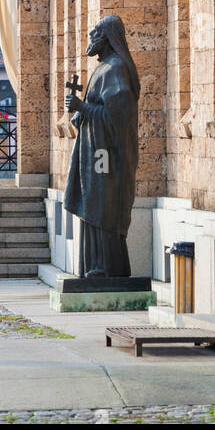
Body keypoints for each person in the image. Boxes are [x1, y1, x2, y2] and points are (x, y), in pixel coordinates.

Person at [64, 15, 140, 279]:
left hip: (104, 155)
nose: (90, 37)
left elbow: (116, 117)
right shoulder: (103, 67)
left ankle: (106, 268)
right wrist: (79, 112)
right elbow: (96, 108)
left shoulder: (116, 68)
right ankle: (95, 266)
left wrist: (82, 107)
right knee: (93, 201)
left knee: (102, 203)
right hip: (94, 150)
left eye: (95, 32)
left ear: (107, 36)